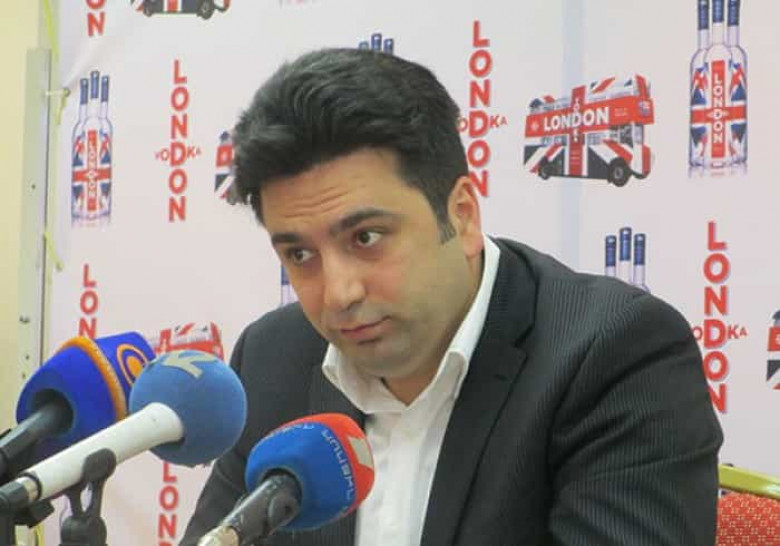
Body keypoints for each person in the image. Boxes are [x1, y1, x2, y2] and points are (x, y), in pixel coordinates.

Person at [181, 48, 722, 546]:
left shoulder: (614, 355)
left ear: (461, 215)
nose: (339, 293)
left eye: (366, 238)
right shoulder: (272, 359)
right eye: (300, 254)